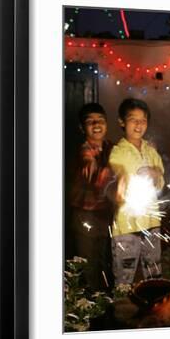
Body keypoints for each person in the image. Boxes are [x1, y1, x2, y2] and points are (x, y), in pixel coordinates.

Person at [109, 97, 165, 286]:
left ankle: (155, 308)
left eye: (143, 120)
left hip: (151, 222)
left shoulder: (151, 152)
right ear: (122, 122)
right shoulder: (117, 152)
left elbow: (161, 182)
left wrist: (155, 173)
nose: (139, 124)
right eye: (134, 119)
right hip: (127, 225)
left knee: (154, 272)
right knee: (124, 276)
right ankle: (120, 311)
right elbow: (113, 183)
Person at [70, 102, 114, 291]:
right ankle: (89, 311)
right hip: (84, 216)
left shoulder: (112, 148)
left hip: (105, 214)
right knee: (88, 265)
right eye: (90, 122)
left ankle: (106, 307)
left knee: (105, 261)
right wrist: (97, 170)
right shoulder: (82, 152)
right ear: (82, 128)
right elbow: (88, 164)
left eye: (101, 120)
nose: (96, 125)